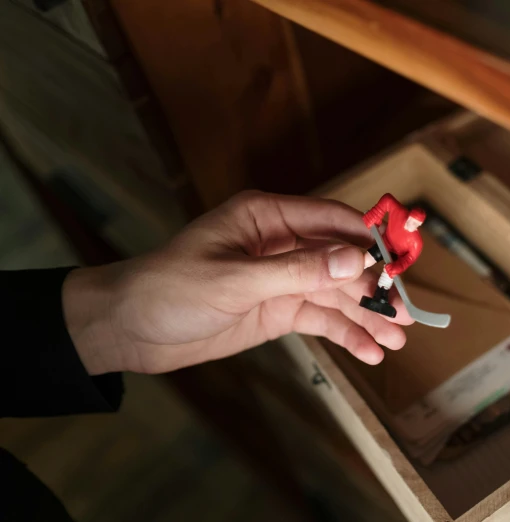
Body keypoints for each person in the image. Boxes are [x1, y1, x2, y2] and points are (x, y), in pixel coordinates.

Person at [0, 191, 413, 522]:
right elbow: (386, 209)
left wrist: (111, 320)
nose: (412, 225)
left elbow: (394, 229)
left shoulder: (404, 236)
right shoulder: (395, 225)